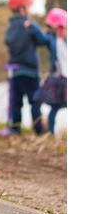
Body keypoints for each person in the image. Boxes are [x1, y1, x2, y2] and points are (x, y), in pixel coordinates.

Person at [0, 0, 50, 136]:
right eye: (29, 7)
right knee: (35, 101)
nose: (30, 10)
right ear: (22, 9)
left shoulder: (10, 28)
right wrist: (35, 28)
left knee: (16, 102)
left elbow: (9, 43)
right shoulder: (29, 26)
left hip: (14, 71)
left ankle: (15, 128)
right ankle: (39, 130)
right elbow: (43, 41)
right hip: (30, 70)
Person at [35, 8, 68, 136]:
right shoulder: (51, 40)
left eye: (64, 28)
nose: (62, 30)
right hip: (58, 79)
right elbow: (42, 37)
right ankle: (50, 133)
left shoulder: (67, 42)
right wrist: (32, 25)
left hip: (66, 78)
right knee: (54, 107)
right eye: (60, 28)